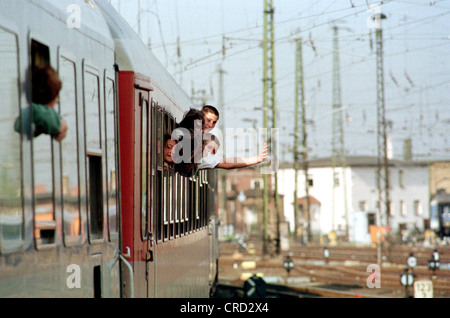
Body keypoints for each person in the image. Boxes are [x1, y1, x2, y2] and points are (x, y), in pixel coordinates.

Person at [14, 65, 68, 142]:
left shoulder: (33, 119)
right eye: (56, 100)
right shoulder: (32, 112)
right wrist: (59, 124)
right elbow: (38, 112)